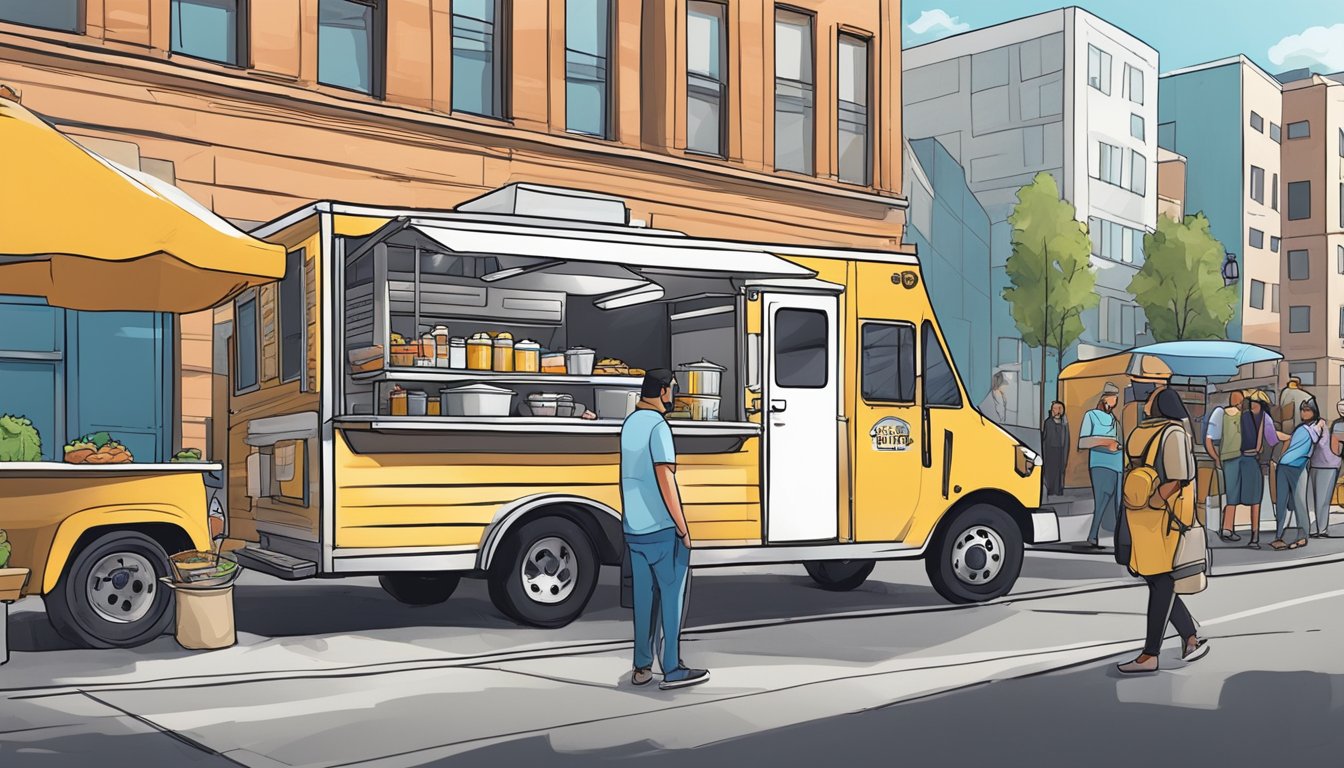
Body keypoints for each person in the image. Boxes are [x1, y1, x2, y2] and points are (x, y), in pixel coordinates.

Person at [619, 369, 709, 690]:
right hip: (661, 528)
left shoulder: (630, 424)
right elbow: (665, 479)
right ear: (662, 392)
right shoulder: (659, 427)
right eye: (673, 389)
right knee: (671, 597)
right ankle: (671, 667)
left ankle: (641, 667)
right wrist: (683, 527)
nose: (675, 394)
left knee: (644, 599)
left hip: (634, 528)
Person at [1117, 376, 1210, 674]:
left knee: (1159, 580)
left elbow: (1167, 475)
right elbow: (1170, 475)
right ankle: (1187, 639)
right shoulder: (1164, 432)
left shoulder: (1155, 433)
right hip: (1154, 518)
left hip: (1150, 517)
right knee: (1159, 580)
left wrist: (1151, 501)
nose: (1145, 403)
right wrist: (1152, 501)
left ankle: (1153, 653)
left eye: (1150, 399)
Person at [1271, 399, 1323, 551]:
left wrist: (1319, 424)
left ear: (1314, 411)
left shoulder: (1316, 427)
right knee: (1282, 502)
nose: (1304, 412)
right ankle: (1279, 536)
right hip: (1284, 466)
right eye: (1302, 410)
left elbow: (1315, 437)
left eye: (1307, 410)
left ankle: (1302, 536)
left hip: (1298, 467)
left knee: (1300, 502)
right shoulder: (1300, 428)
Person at [1079, 382, 1122, 549]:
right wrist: (1106, 443)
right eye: (1113, 398)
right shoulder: (1091, 416)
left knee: (1118, 505)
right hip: (1101, 464)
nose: (1115, 402)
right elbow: (1083, 442)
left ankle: (1119, 540)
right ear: (1105, 398)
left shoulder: (1113, 419)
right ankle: (1093, 535)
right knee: (1101, 501)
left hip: (1117, 464)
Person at [1205, 390, 1251, 542]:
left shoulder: (1220, 414)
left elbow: (1209, 440)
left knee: (1231, 494)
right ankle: (1227, 527)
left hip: (1228, 457)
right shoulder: (1240, 416)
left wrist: (1216, 457)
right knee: (1232, 495)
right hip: (1238, 457)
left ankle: (1227, 526)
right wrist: (1216, 458)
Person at [1315, 400, 1344, 538]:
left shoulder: (1337, 424)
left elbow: (1335, 444)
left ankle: (1320, 528)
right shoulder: (1336, 424)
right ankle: (1321, 528)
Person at [1041, 401, 1070, 497]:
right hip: (1050, 451)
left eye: (1059, 408)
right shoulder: (1048, 423)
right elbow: (1044, 438)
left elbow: (1066, 439)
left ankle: (1058, 490)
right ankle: (1050, 490)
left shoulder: (1064, 424)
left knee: (1059, 471)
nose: (1057, 411)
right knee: (1050, 472)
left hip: (1060, 451)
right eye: (1055, 408)